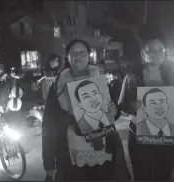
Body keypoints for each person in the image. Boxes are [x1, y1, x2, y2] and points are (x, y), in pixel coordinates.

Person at [42, 39, 129, 181]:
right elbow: (48, 123)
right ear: (68, 57)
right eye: (73, 53)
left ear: (89, 56)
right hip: (71, 153)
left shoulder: (100, 81)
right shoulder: (58, 86)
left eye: (82, 53)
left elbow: (113, 109)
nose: (78, 57)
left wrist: (115, 110)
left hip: (102, 149)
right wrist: (49, 161)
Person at [118, 24, 174, 181]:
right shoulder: (132, 76)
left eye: (160, 50)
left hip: (168, 134)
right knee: (142, 176)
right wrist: (132, 107)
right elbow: (122, 104)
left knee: (163, 176)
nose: (156, 53)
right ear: (142, 53)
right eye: (150, 50)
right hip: (140, 136)